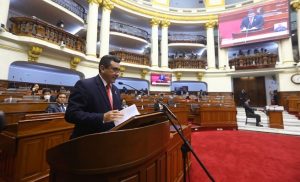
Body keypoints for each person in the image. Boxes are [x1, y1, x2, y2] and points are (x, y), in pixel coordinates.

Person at [65, 55, 124, 139]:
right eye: (114, 70)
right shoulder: (84, 85)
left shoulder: (116, 90)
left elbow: (115, 111)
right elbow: (71, 114)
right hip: (87, 140)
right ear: (102, 68)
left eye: (119, 70)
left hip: (109, 139)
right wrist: (102, 117)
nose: (118, 74)